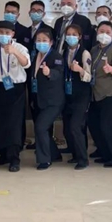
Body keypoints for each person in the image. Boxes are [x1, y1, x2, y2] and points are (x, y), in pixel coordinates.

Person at [0, 20, 31, 172]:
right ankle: (3, 154)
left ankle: (14, 158)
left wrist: (14, 52)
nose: (4, 35)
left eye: (7, 32)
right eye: (1, 32)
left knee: (13, 123)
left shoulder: (20, 48)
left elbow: (26, 64)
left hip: (16, 88)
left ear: (13, 34)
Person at [88, 21, 112, 168]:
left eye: (107, 32)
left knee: (109, 127)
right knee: (95, 125)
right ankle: (105, 153)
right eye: (101, 31)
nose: (104, 34)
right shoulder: (94, 50)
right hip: (98, 93)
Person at [31, 28, 65, 170]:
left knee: (40, 127)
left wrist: (49, 72)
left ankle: (45, 160)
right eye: (38, 40)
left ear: (51, 42)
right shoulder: (36, 56)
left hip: (53, 101)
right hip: (39, 99)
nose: (41, 43)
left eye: (44, 40)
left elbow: (58, 72)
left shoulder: (56, 57)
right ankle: (55, 154)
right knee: (42, 128)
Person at [61, 24, 92, 170]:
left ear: (79, 36)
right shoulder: (64, 52)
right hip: (68, 95)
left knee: (75, 126)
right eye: (68, 34)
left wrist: (80, 70)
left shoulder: (85, 53)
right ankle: (75, 154)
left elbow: (89, 77)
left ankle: (83, 159)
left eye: (74, 34)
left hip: (81, 96)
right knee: (67, 128)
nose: (71, 37)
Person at [25, 0, 54, 149]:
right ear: (29, 12)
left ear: (43, 13)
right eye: (33, 10)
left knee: (45, 111)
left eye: (39, 11)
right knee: (34, 106)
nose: (35, 13)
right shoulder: (25, 31)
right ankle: (38, 142)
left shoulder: (49, 30)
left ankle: (48, 143)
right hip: (30, 74)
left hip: (45, 74)